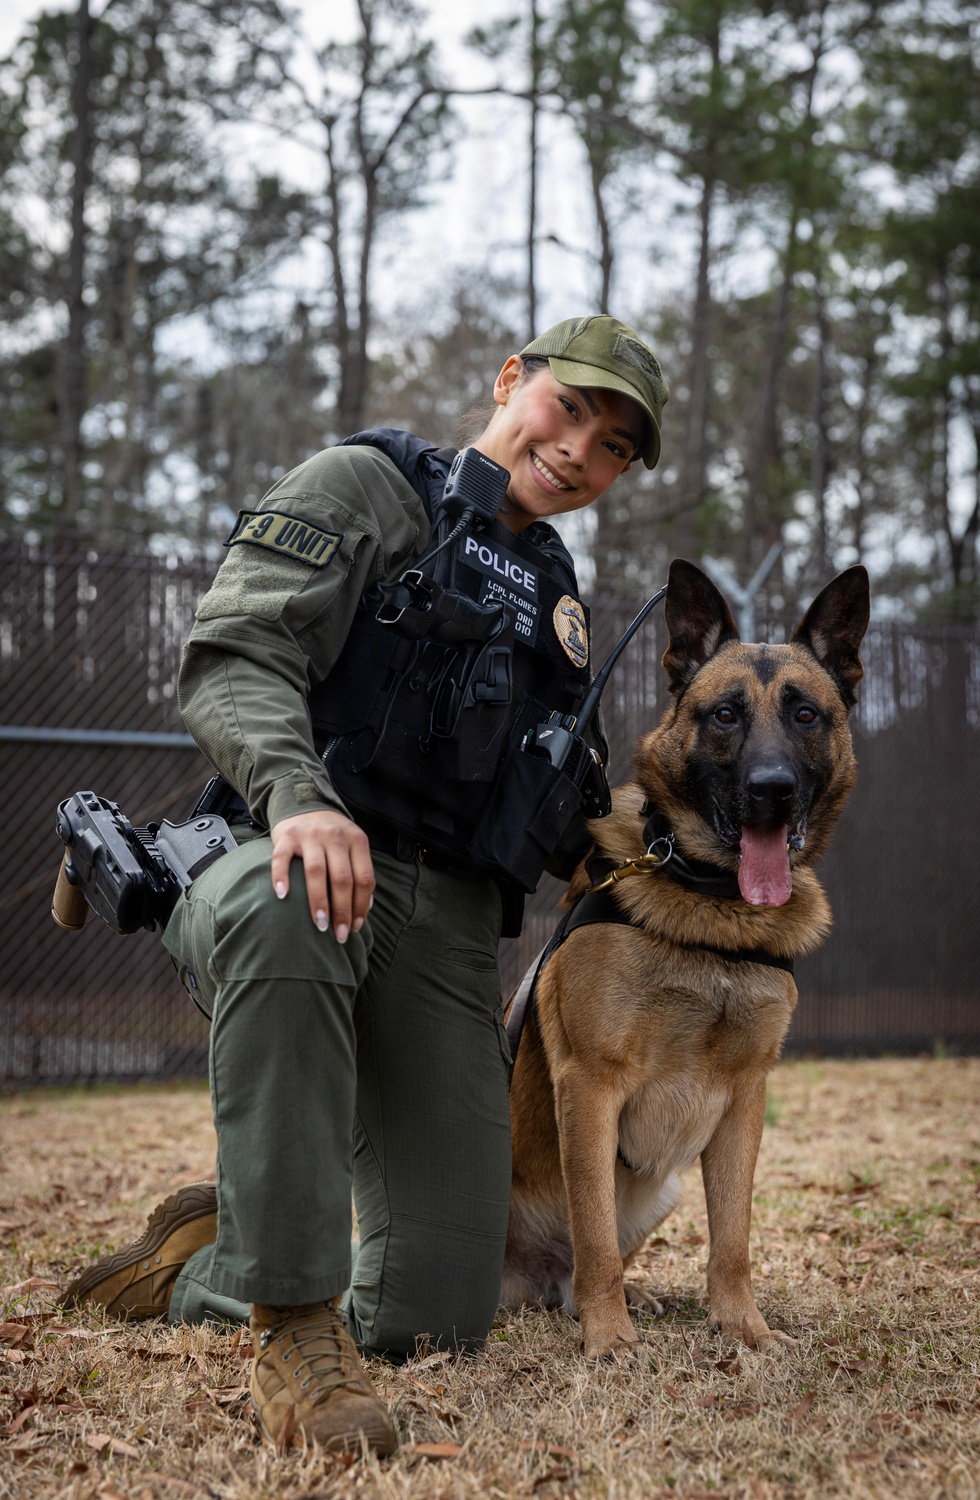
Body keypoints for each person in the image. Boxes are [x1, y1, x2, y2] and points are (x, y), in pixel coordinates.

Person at [62, 316, 668, 1457]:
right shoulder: (367, 489)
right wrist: (300, 798)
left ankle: (206, 1264)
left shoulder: (554, 596)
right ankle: (292, 1327)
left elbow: (564, 806)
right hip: (285, 855)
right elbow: (235, 656)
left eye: (616, 446)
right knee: (291, 903)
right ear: (512, 380)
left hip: (444, 926)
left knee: (432, 1314)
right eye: (571, 408)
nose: (581, 451)